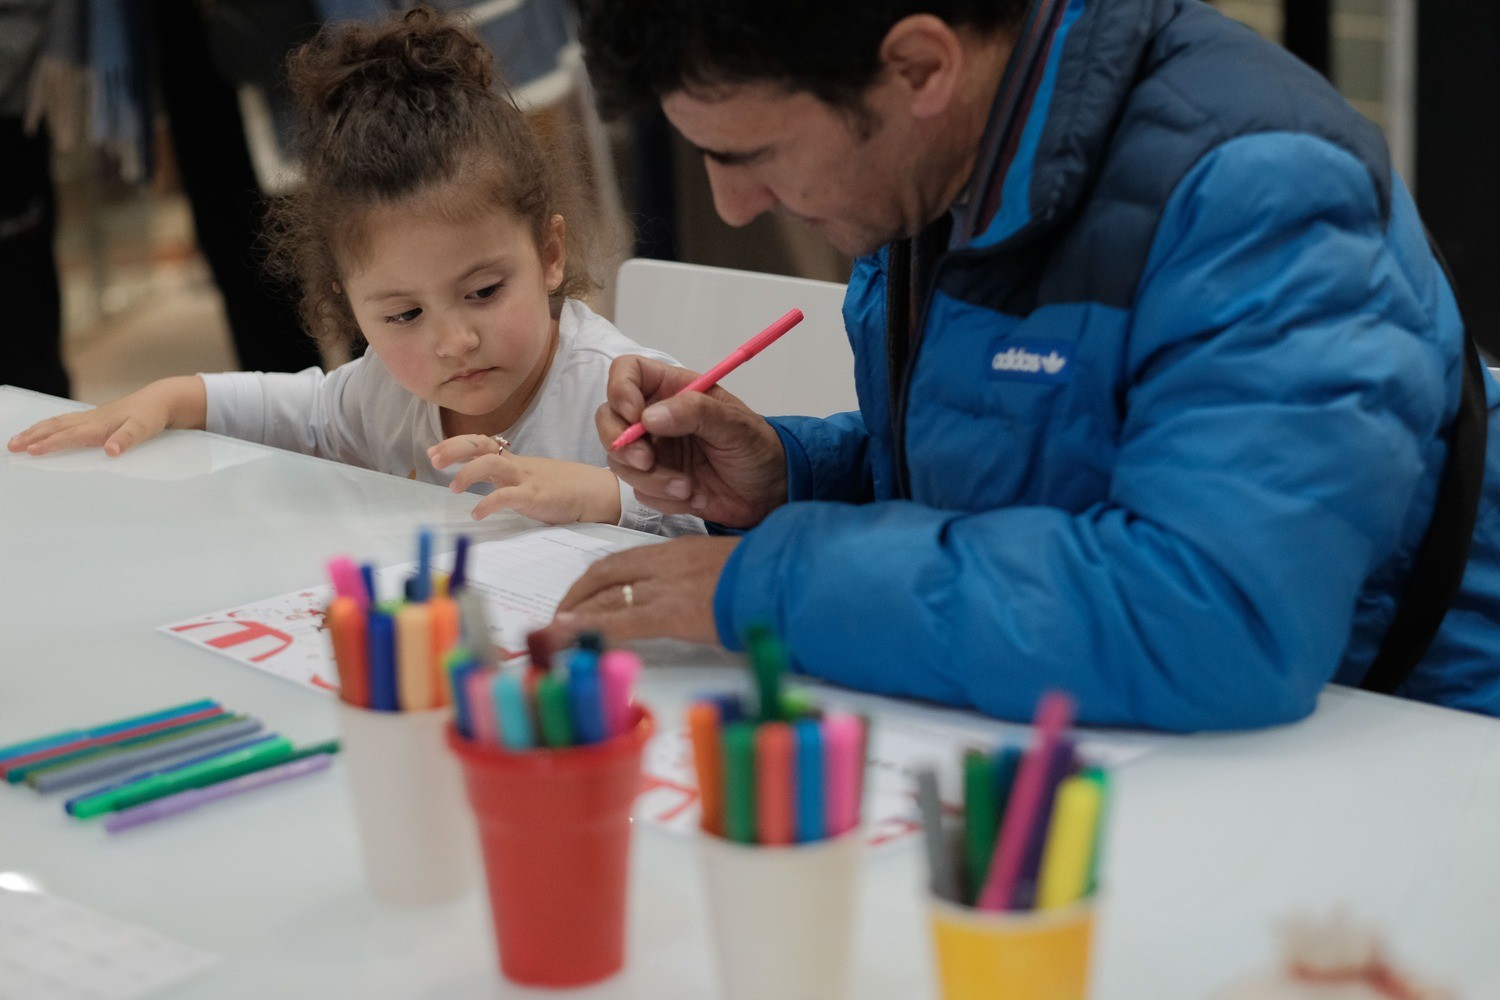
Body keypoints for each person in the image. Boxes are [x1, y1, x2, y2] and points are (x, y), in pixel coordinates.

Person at [548, 0, 1500, 729]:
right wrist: (795, 481)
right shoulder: (940, 155)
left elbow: (1216, 616)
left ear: (919, 65)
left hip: (1416, 752)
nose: (736, 202)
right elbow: (1035, 470)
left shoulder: (1262, 190)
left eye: (752, 153)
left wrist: (781, 582)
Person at [8, 6, 700, 537]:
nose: (453, 341)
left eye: (484, 291)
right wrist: (173, 397)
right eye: (403, 315)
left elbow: (725, 521)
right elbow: (297, 413)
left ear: (550, 255)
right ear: (351, 308)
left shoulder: (621, 392)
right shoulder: (382, 394)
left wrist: (604, 497)